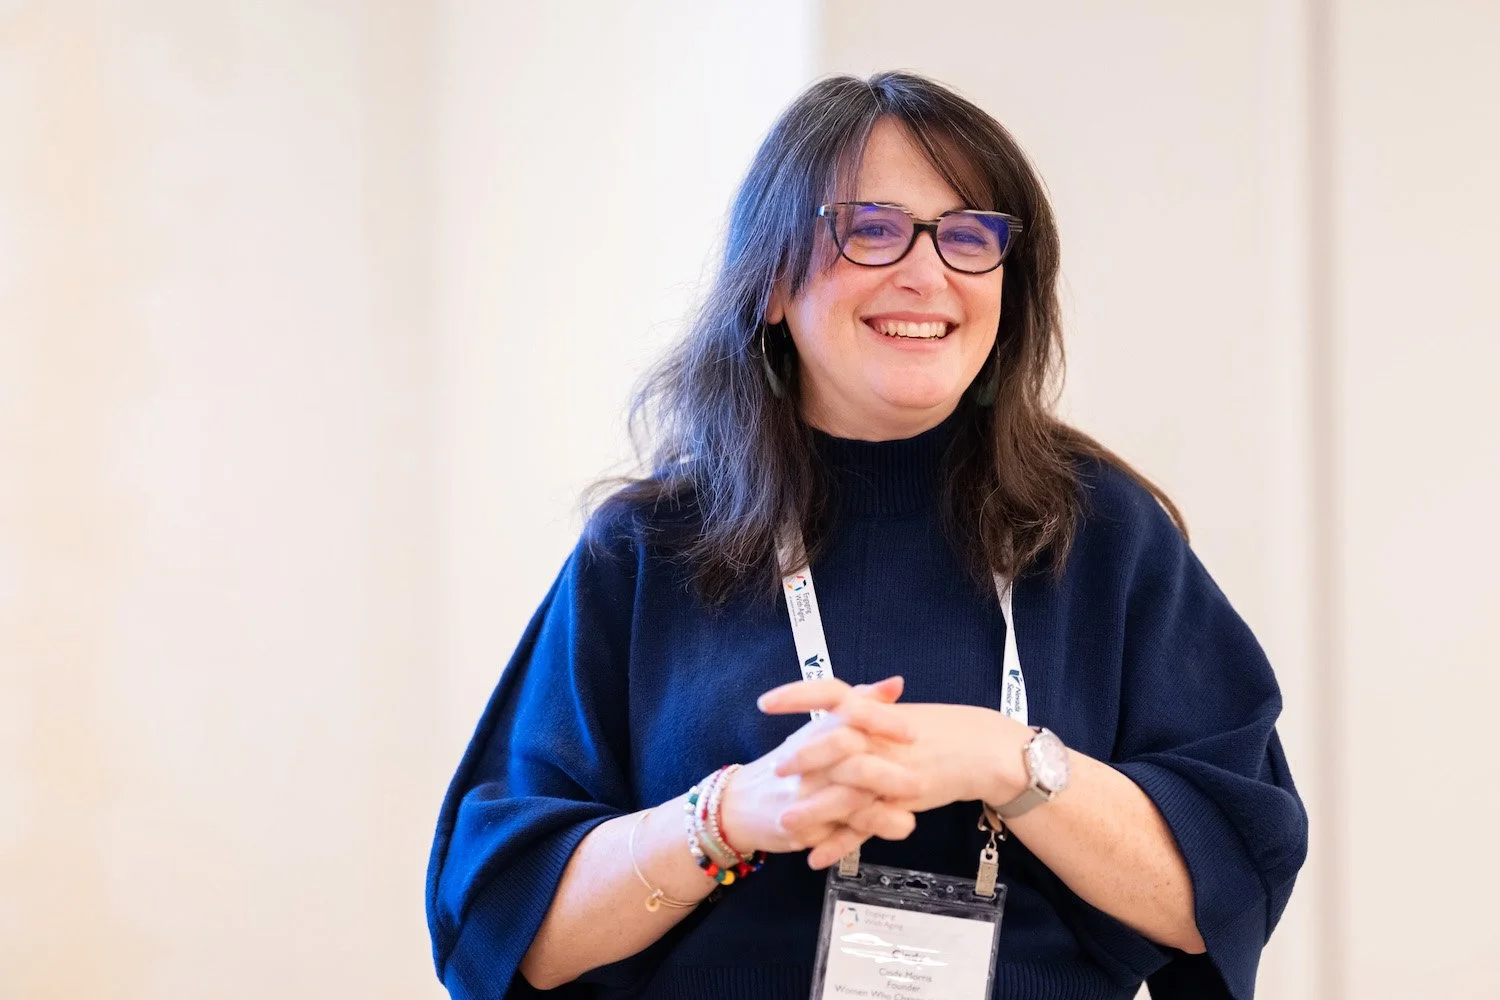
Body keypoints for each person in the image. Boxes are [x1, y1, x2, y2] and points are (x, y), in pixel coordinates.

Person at [425, 71, 1308, 1000]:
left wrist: (1003, 759)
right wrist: (727, 818)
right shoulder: (648, 549)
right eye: (872, 228)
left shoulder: (1099, 532)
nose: (927, 273)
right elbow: (510, 933)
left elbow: (1217, 894)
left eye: (969, 235)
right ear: (770, 283)